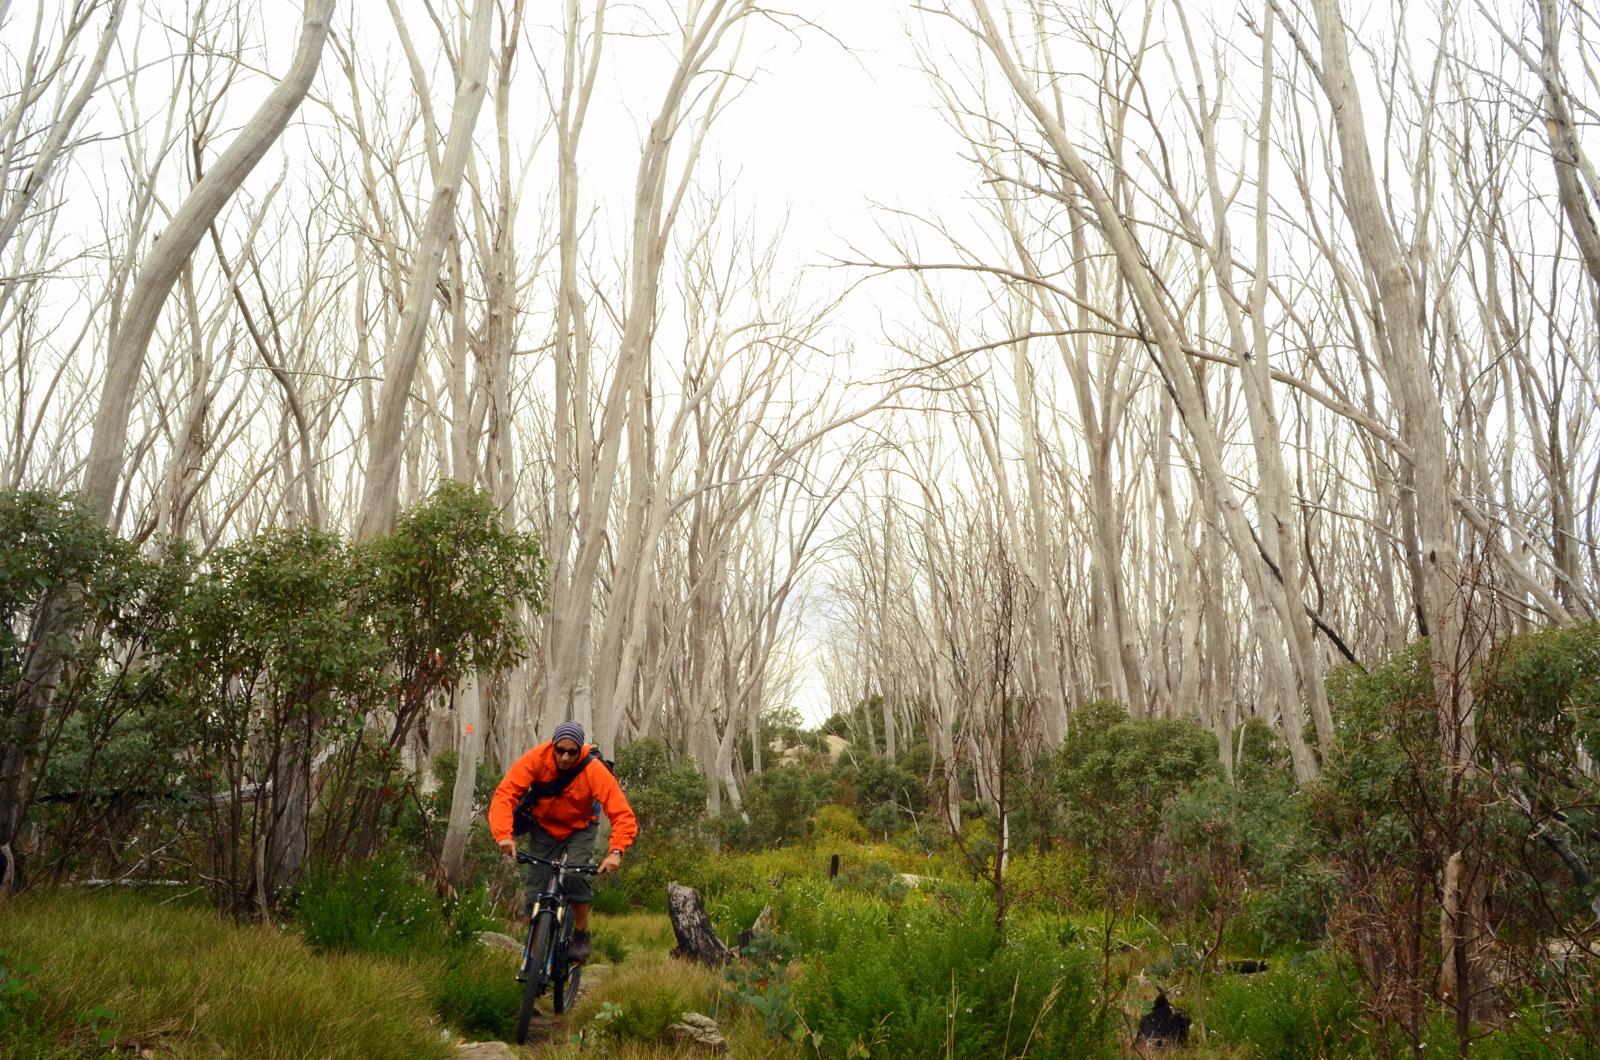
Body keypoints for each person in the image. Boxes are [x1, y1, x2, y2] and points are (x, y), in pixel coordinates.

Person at [488, 721, 637, 963]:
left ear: (580, 750)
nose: (565, 757)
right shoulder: (535, 759)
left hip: (581, 827)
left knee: (576, 875)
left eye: (572, 752)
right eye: (560, 750)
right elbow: (505, 794)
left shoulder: (593, 769)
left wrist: (616, 851)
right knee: (535, 890)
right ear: (553, 746)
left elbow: (621, 813)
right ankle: (534, 954)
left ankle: (581, 932)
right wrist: (504, 834)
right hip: (544, 826)